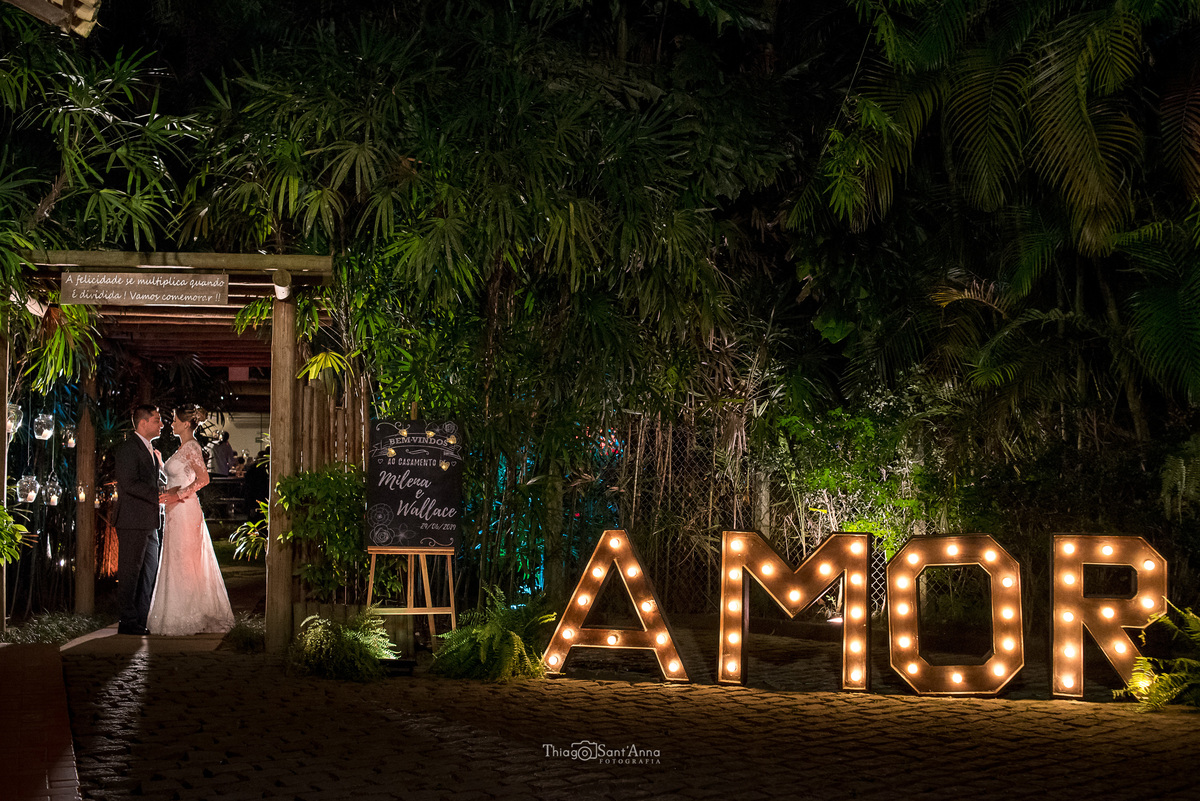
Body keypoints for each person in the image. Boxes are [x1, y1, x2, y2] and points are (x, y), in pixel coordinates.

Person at [146, 406, 235, 636]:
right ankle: (175, 612)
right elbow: (179, 475)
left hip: (186, 510)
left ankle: (190, 613)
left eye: (174, 420)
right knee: (175, 559)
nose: (171, 423)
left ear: (186, 424)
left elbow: (203, 479)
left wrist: (178, 495)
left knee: (185, 560)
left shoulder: (193, 447)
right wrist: (161, 463)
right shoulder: (183, 448)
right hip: (175, 511)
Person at [114, 404, 166, 636]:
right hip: (132, 520)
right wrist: (159, 495)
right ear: (143, 422)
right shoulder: (128, 448)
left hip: (149, 521)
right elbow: (129, 483)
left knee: (149, 572)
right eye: (157, 420)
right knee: (130, 572)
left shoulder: (150, 449)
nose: (161, 424)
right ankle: (127, 621)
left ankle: (142, 618)